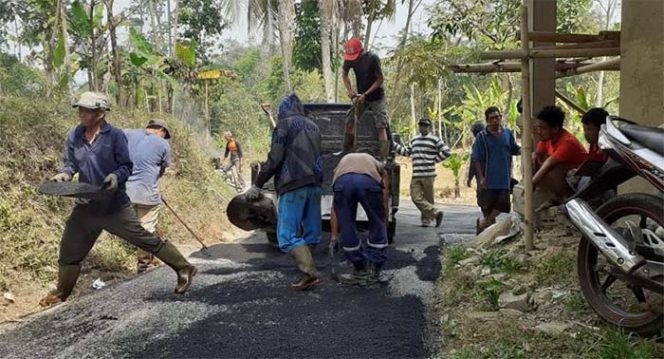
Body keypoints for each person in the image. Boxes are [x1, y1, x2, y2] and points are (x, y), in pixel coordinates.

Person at [40, 92, 196, 307]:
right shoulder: (75, 135)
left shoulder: (115, 136)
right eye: (80, 109)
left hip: (114, 206)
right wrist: (64, 174)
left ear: (100, 114)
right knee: (69, 251)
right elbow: (70, 164)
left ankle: (184, 267)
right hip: (86, 206)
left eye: (86, 111)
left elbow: (126, 166)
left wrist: (116, 176)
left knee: (143, 238)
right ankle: (60, 294)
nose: (81, 114)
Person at [246, 93, 323, 290]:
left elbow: (275, 158)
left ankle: (309, 273)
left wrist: (258, 183)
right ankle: (307, 270)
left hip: (293, 183)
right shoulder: (314, 126)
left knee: (287, 235)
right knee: (311, 232)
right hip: (314, 184)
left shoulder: (284, 124)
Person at [332, 152, 388, 286]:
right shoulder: (374, 161)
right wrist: (383, 214)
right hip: (367, 181)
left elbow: (334, 208)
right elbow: (385, 187)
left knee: (347, 225)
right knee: (376, 222)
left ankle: (359, 270)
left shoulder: (342, 162)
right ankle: (374, 271)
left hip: (342, 183)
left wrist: (334, 235)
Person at [124, 119, 172, 273]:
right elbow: (162, 169)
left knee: (134, 226)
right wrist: (153, 182)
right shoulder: (162, 143)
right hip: (146, 192)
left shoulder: (129, 133)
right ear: (162, 131)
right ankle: (144, 264)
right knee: (147, 227)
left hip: (124, 191)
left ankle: (151, 256)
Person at [471, 107, 521, 233]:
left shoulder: (507, 133)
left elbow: (514, 148)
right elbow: (476, 158)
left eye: (497, 117)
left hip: (504, 178)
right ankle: (486, 233)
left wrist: (525, 150)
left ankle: (483, 223)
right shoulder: (482, 137)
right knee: (488, 206)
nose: (495, 120)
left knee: (502, 205)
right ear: (487, 120)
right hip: (489, 178)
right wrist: (481, 178)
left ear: (501, 118)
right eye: (492, 118)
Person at [394, 117, 450, 228]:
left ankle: (426, 220)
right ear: (419, 126)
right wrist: (394, 145)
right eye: (421, 125)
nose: (423, 127)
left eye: (425, 125)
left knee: (428, 199)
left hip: (428, 174)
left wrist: (434, 160)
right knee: (416, 197)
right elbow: (406, 152)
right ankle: (435, 212)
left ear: (429, 127)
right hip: (416, 174)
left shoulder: (434, 139)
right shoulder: (414, 140)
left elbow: (446, 151)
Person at [341, 37, 389, 159]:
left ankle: (383, 157)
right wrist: (350, 91)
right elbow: (344, 75)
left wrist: (366, 94)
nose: (353, 60)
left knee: (380, 125)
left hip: (377, 96)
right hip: (362, 96)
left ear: (361, 52)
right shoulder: (349, 60)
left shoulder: (372, 59)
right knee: (350, 120)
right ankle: (346, 151)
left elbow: (380, 79)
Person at [532, 105, 587, 205]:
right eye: (538, 127)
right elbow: (537, 154)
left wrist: (532, 183)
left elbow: (550, 163)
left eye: (543, 128)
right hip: (563, 181)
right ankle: (552, 197)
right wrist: (534, 155)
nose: (539, 132)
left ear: (555, 129)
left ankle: (563, 200)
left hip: (578, 183)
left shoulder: (567, 142)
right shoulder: (547, 139)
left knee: (553, 166)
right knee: (534, 160)